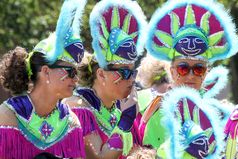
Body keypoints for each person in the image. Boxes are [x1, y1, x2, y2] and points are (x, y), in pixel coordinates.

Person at [142, 0, 238, 158]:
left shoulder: (220, 114)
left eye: (198, 69)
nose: (191, 75)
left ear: (206, 73)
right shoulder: (152, 112)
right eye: (183, 68)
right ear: (172, 72)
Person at [0, 0, 87, 158]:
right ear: (46, 71)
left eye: (77, 72)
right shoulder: (8, 116)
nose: (76, 80)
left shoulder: (71, 123)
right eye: (70, 71)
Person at [63, 0, 147, 158]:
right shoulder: (78, 106)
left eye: (133, 73)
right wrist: (125, 122)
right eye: (124, 73)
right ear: (101, 74)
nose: (131, 80)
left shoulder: (120, 109)